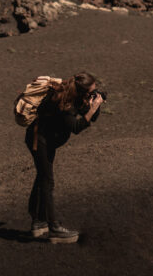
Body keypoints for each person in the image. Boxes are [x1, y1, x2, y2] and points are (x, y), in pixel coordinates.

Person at [25, 71, 104, 243]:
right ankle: (54, 228)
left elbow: (88, 116)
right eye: (91, 91)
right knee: (47, 181)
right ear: (83, 91)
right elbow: (76, 126)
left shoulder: (74, 96)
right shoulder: (65, 103)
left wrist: (94, 105)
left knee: (43, 178)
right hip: (39, 141)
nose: (93, 94)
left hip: (46, 141)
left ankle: (38, 222)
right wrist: (93, 108)